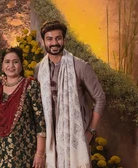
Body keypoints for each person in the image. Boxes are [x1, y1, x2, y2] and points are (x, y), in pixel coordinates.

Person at [34, 20, 106, 168]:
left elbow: (100, 98)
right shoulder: (38, 70)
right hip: (49, 140)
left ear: (64, 40)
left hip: (75, 139)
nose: (54, 43)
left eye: (58, 38)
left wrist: (90, 132)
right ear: (43, 41)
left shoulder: (80, 66)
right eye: (49, 39)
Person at [0, 47, 46, 168]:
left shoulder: (30, 86)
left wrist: (40, 153)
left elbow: (40, 122)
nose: (11, 65)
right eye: (7, 62)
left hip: (24, 150)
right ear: (2, 65)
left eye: (15, 61)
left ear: (21, 64)